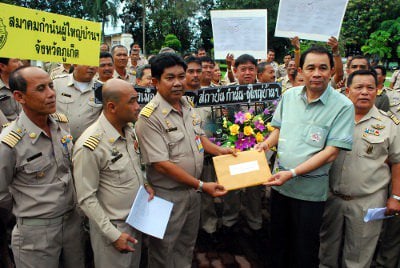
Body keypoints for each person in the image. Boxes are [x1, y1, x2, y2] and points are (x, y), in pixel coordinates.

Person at [255, 46, 355, 268]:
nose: (316, 73)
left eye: (323, 68)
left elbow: (330, 153)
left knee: (304, 250)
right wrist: (265, 144)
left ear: (332, 71)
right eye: (311, 67)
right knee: (278, 243)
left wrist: (292, 173)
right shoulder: (289, 96)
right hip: (279, 187)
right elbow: (278, 130)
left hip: (309, 194)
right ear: (301, 70)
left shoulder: (343, 106)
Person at [135, 53, 233, 267]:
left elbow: (199, 136)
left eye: (181, 76)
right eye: (170, 78)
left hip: (193, 193)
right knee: (163, 250)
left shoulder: (187, 104)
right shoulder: (149, 117)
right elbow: (161, 164)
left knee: (186, 246)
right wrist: (201, 184)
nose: (178, 82)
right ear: (155, 82)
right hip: (166, 196)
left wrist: (219, 151)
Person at [0, 66, 84, 268]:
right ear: (20, 97)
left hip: (72, 223)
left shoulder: (61, 124)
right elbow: (2, 195)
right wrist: (30, 211)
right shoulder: (9, 143)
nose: (51, 94)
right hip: (36, 233)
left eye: (51, 86)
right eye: (41, 89)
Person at [319, 70, 400, 268]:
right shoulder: (333, 119)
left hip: (368, 200)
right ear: (348, 91)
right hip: (332, 197)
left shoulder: (389, 124)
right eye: (358, 87)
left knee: (358, 256)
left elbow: (397, 162)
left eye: (370, 88)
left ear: (378, 90)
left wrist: (396, 197)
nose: (364, 92)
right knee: (327, 251)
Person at [73, 78, 152, 268]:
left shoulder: (129, 130)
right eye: (131, 101)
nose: (138, 107)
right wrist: (113, 235)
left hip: (135, 220)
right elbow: (86, 198)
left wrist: (146, 184)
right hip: (113, 228)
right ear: (112, 107)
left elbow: (135, 165)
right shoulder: (90, 145)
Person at [54, 64, 102, 139]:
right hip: (59, 141)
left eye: (95, 63)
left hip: (86, 144)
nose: (92, 67)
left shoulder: (100, 88)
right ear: (75, 64)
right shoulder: (57, 83)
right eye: (88, 62)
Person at [0, 58, 23, 122]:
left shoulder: (26, 82)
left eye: (20, 60)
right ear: (2, 66)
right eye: (16, 61)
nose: (21, 64)